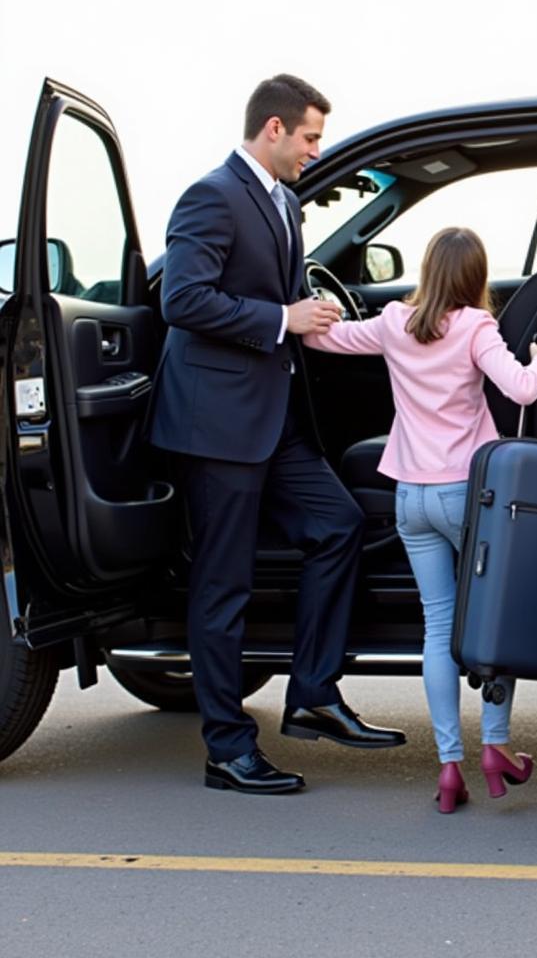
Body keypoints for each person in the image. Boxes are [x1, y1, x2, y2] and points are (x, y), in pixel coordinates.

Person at [148, 74, 405, 795]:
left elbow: (269, 292)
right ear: (273, 130)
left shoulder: (283, 202)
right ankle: (227, 749)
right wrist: (280, 321)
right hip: (217, 424)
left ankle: (314, 694)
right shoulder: (211, 195)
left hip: (276, 418)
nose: (314, 151)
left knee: (338, 526)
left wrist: (307, 308)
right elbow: (183, 299)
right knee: (223, 584)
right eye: (310, 138)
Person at [304, 226, 537, 813]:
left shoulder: (395, 321)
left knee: (437, 629)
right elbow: (521, 390)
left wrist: (308, 312)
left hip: (409, 498)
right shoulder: (476, 327)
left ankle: (449, 766)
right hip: (462, 498)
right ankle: (496, 745)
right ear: (474, 278)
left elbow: (327, 341)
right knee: (494, 619)